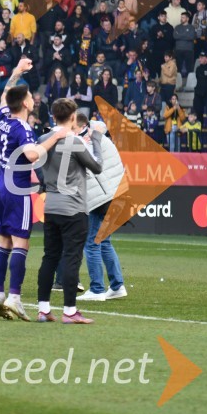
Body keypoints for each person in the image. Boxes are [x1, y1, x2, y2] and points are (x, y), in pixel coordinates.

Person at [0, 59, 68, 322]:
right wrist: (56, 136)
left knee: (3, 242)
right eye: (30, 97)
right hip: (18, 187)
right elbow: (33, 154)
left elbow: (3, 95)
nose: (34, 99)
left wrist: (15, 73)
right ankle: (14, 298)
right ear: (24, 103)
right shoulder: (23, 127)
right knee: (21, 242)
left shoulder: (2, 118)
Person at [35, 99, 102, 324]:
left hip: (51, 207)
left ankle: (43, 309)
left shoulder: (43, 139)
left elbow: (37, 166)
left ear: (53, 116)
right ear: (73, 117)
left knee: (50, 257)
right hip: (73, 208)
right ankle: (70, 311)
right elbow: (97, 166)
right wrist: (97, 140)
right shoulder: (75, 142)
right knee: (72, 259)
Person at [75, 114, 127, 302]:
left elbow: (89, 169)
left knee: (92, 243)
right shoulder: (98, 136)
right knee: (104, 242)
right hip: (116, 194)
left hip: (102, 198)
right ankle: (117, 285)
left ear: (79, 125)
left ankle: (97, 288)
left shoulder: (87, 140)